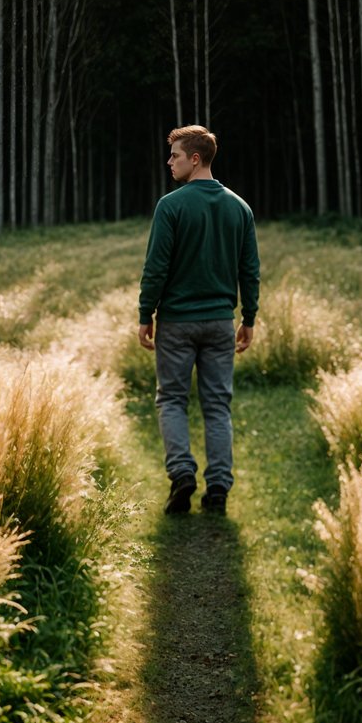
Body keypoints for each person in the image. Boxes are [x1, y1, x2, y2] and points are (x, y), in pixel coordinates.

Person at [137, 124, 260, 515]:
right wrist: (249, 317)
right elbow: (249, 270)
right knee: (217, 405)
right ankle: (219, 487)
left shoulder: (170, 206)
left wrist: (146, 314)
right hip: (220, 323)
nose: (168, 162)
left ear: (195, 158)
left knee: (171, 399)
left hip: (176, 323)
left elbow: (155, 268)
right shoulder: (240, 207)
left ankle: (182, 474)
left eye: (174, 155)